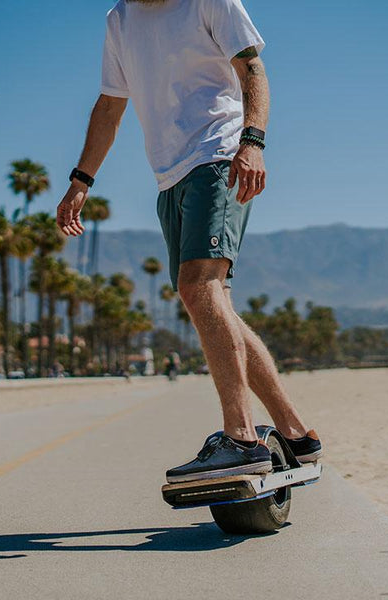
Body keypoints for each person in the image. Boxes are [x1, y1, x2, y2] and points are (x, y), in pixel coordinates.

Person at [56, 0, 322, 484]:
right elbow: (111, 103)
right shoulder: (120, 20)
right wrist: (81, 179)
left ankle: (241, 439)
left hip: (218, 156)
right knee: (209, 298)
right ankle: (297, 434)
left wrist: (252, 141)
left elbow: (253, 70)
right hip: (168, 176)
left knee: (198, 286)